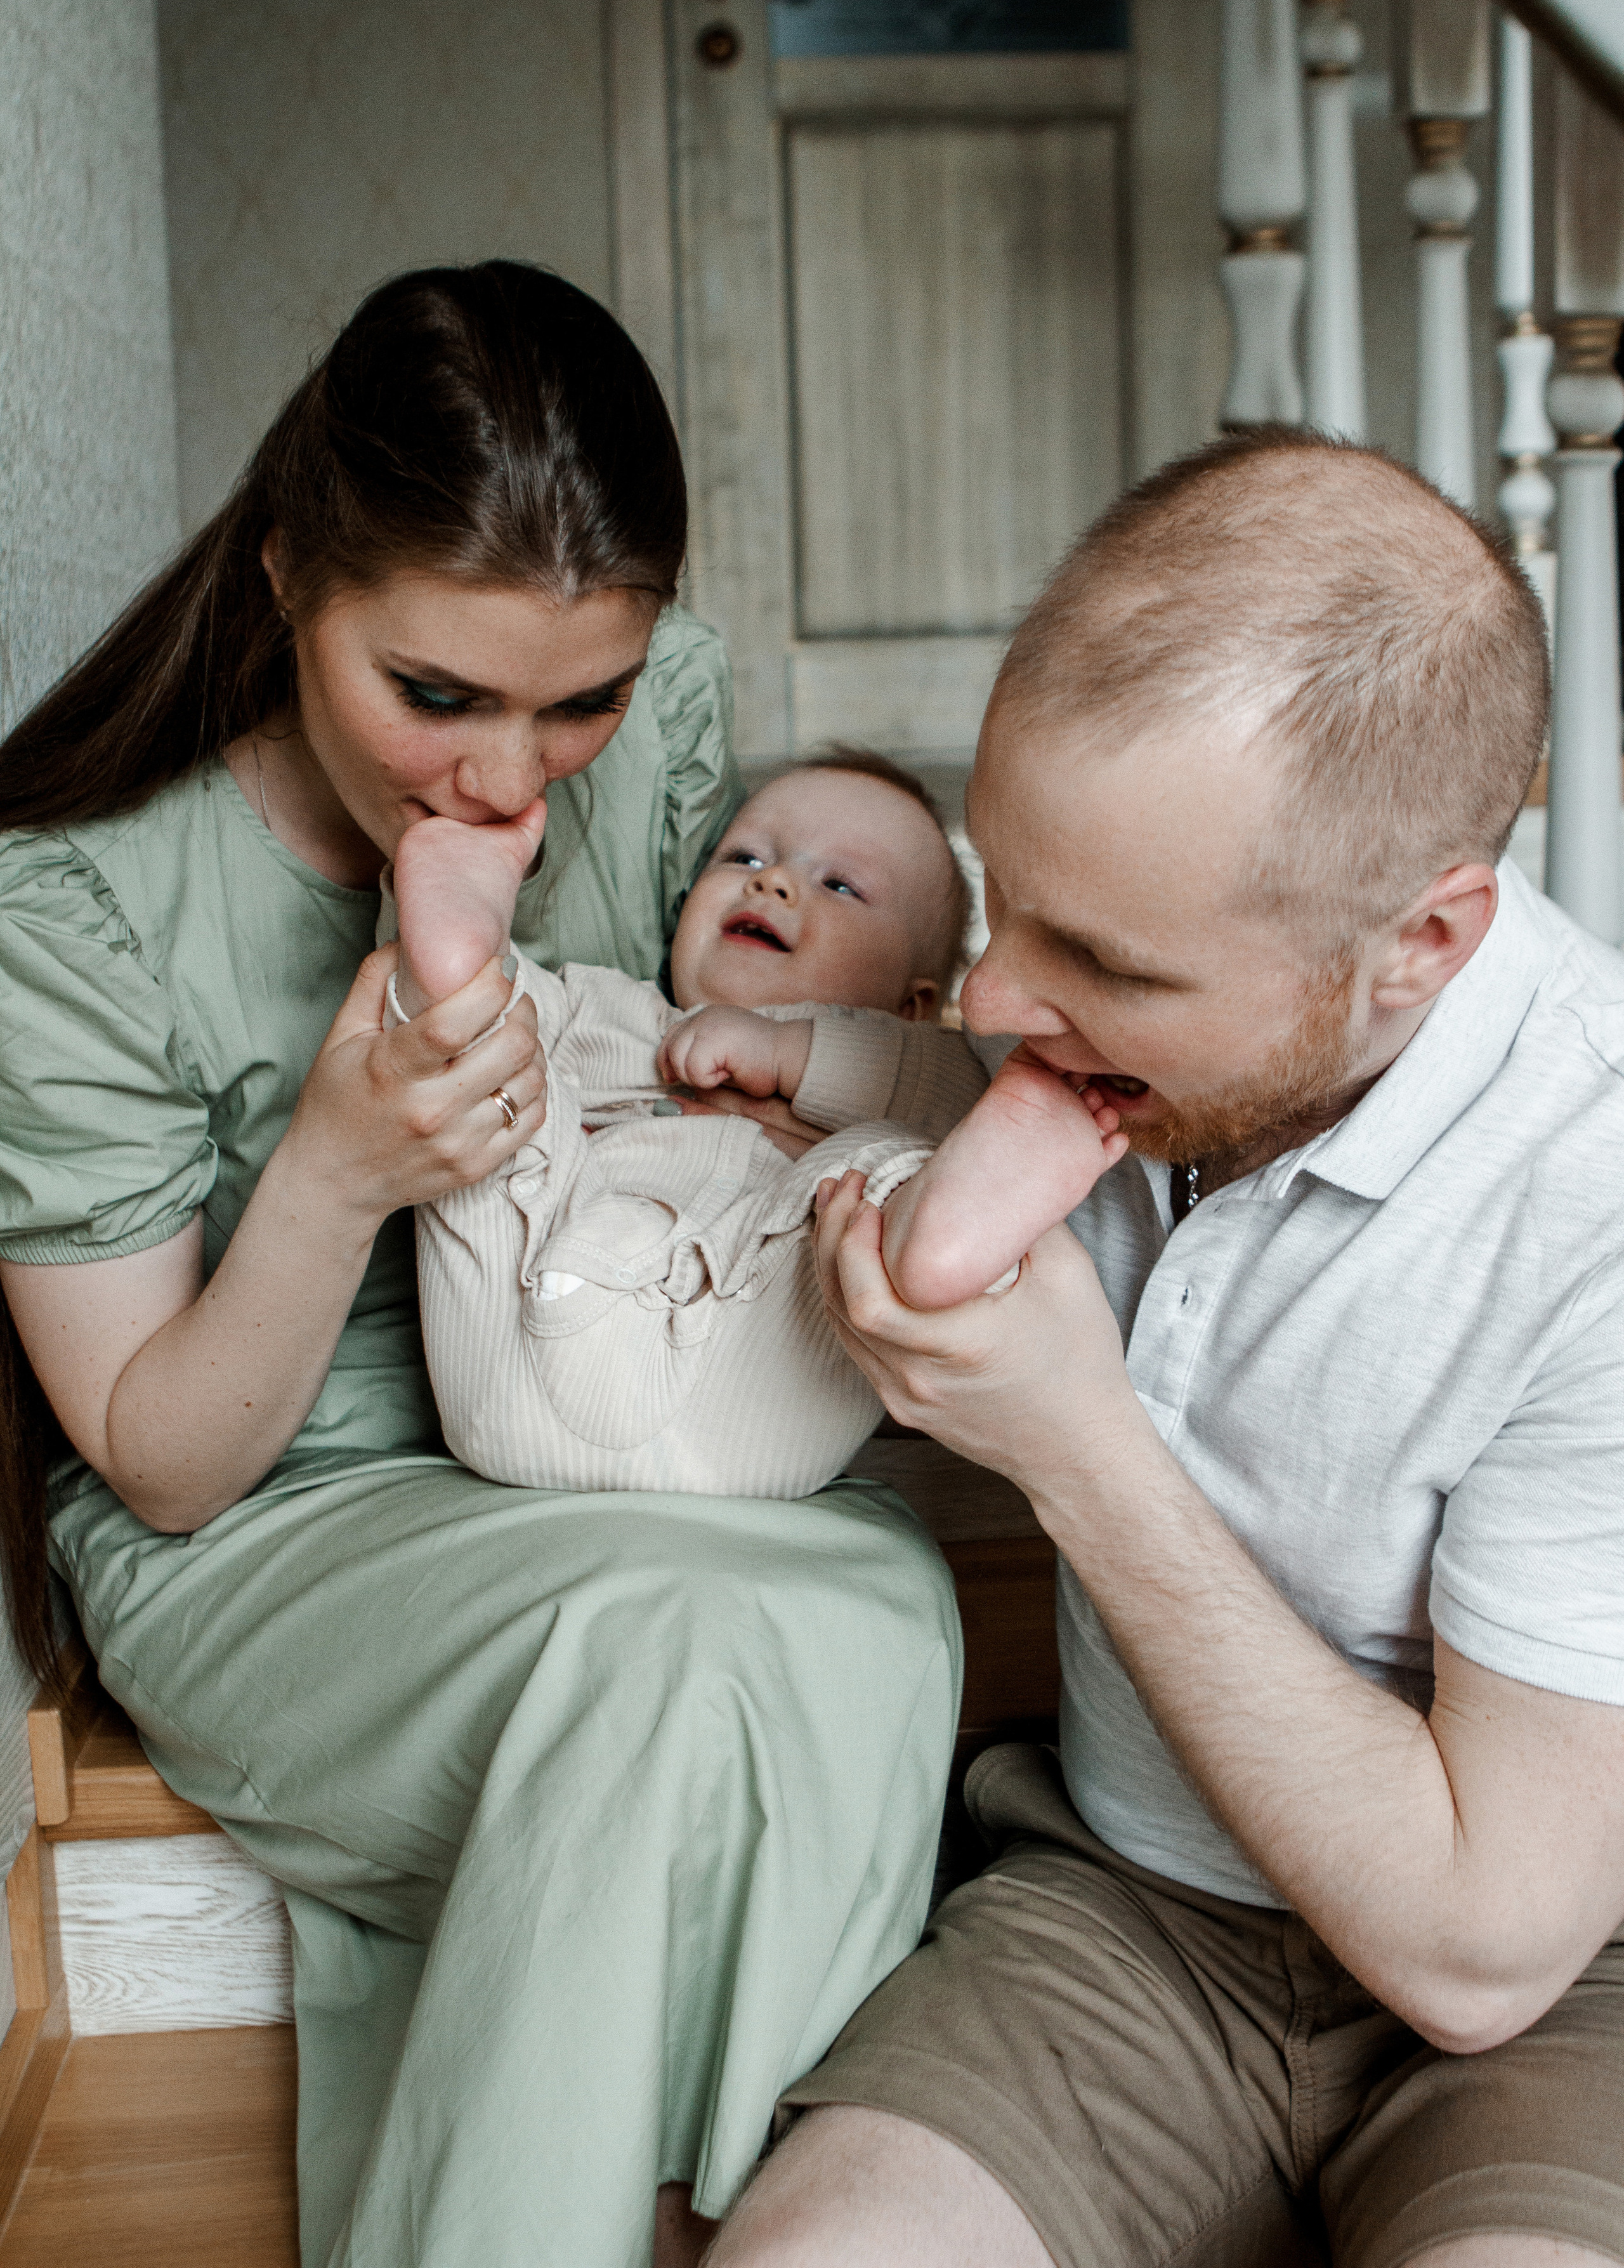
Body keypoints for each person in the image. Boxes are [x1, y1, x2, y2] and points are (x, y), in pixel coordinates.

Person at [0, 261, 963, 2268]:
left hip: (617, 1425)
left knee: (874, 1600)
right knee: (663, 1645)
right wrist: (336, 1173)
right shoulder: (76, 911)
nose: (514, 783)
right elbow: (159, 1464)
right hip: (276, 1513)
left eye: (578, 702)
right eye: (434, 697)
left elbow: (722, 1046)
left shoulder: (658, 735)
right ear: (289, 576)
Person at [712, 431, 1624, 2268]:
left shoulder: (1590, 1185)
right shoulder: (1089, 1039)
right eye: (1000, 894)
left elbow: (1482, 1947)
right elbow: (952, 1053)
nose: (990, 998)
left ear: (1418, 941)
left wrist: (1074, 1441)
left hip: (1556, 1989)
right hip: (1119, 1913)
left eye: (1104, 963)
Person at [387, 751, 1125, 1500]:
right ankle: (457, 957)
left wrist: (786, 1050)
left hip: (750, 1396)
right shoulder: (613, 1011)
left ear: (913, 1002)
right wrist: (495, 999)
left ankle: (941, 1243)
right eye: (744, 857)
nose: (772, 881)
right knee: (493, 1084)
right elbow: (530, 1030)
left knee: (898, 1159)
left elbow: (951, 1095)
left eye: (840, 885)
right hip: (505, 1368)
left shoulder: (913, 1063)